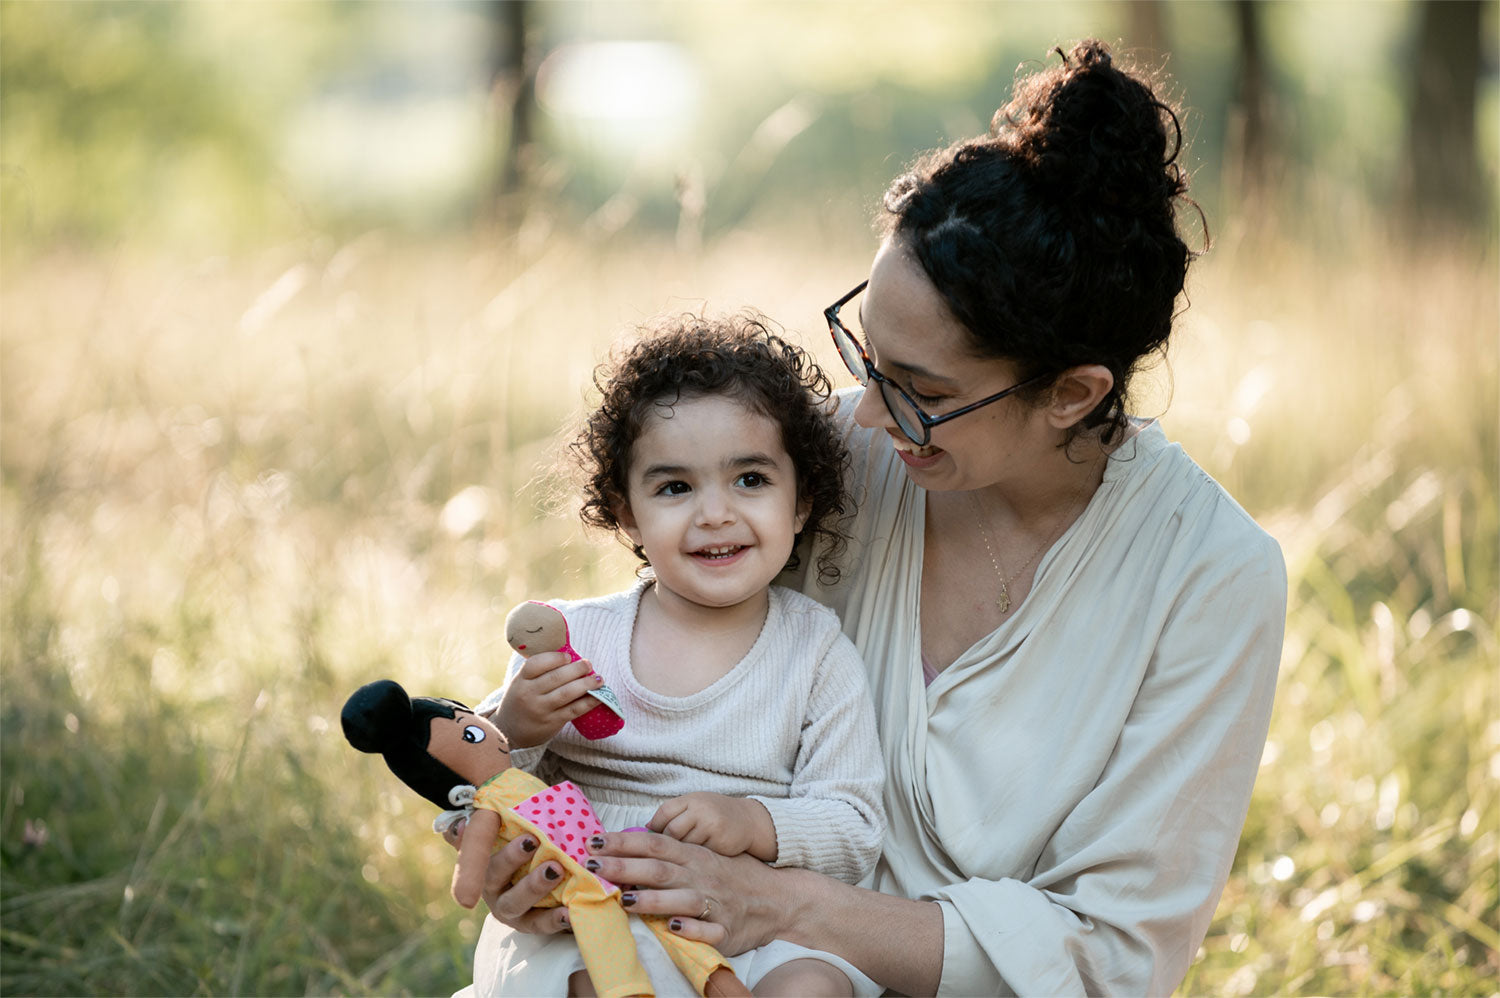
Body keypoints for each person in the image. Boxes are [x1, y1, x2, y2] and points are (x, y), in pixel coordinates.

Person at [470, 39, 1286, 997]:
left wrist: (779, 905)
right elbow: (633, 689)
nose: (860, 414)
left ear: (1072, 394)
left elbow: (1111, 958)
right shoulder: (817, 463)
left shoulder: (1210, 575)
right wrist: (530, 852)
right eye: (867, 355)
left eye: (920, 390)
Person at [460, 316, 887, 997]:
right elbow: (470, 792)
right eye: (675, 488)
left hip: (745, 923)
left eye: (750, 479)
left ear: (801, 500)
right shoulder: (575, 639)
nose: (715, 513)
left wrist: (752, 819)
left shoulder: (814, 648)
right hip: (588, 916)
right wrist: (518, 728)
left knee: (813, 985)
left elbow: (854, 824)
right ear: (626, 514)